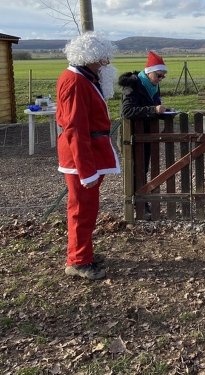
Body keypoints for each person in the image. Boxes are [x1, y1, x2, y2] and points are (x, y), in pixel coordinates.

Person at [56, 32, 121, 280]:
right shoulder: (75, 81)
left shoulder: (84, 78)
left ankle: (83, 253)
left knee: (87, 207)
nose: (106, 64)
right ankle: (78, 260)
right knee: (82, 209)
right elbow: (74, 128)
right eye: (103, 59)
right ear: (91, 58)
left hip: (90, 151)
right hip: (81, 156)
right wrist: (87, 170)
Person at [118, 51, 168, 216]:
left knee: (142, 170)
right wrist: (153, 109)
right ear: (149, 71)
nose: (160, 79)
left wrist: (160, 109)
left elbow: (155, 103)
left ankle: (141, 203)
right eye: (158, 75)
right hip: (131, 136)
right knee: (134, 170)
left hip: (146, 134)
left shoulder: (153, 85)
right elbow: (127, 111)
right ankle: (137, 205)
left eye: (163, 76)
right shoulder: (133, 84)